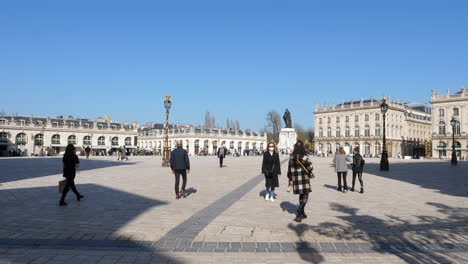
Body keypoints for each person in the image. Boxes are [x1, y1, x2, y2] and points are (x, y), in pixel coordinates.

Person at [287, 140, 313, 222]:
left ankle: (302, 213)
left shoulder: (291, 158)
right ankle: (299, 210)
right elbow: (310, 167)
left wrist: (290, 178)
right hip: (304, 178)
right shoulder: (305, 157)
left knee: (300, 195)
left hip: (296, 179)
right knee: (305, 195)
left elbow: (289, 170)